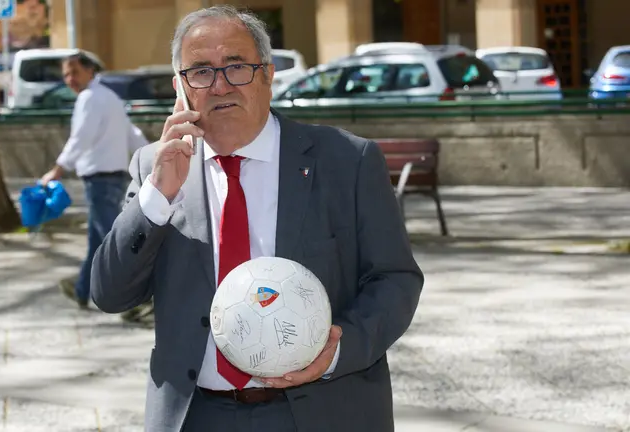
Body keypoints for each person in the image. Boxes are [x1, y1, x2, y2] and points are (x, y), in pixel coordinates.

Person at [91, 6, 423, 432]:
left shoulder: (346, 161)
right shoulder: (154, 167)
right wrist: (157, 197)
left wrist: (339, 350)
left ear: (267, 76)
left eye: (237, 67)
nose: (220, 84)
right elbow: (109, 294)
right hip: (196, 415)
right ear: (180, 88)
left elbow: (395, 279)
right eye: (201, 72)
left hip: (323, 409)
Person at [41, 52, 148, 309]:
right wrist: (150, 156)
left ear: (90, 70)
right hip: (113, 177)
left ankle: (139, 298)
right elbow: (132, 134)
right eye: (66, 74)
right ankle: (82, 289)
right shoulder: (110, 97)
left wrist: (58, 169)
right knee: (98, 239)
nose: (70, 79)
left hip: (99, 180)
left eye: (74, 72)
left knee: (114, 241)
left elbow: (81, 137)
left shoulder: (89, 99)